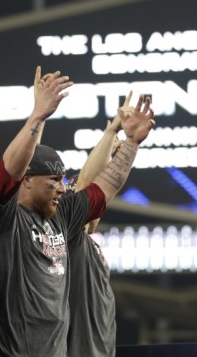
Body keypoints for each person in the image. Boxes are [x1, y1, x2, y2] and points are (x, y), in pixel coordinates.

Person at [0, 68, 155, 357]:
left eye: (62, 180)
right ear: (27, 181)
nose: (61, 188)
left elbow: (103, 187)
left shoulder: (62, 216)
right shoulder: (1, 216)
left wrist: (131, 143)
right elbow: (10, 169)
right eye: (53, 180)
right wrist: (38, 116)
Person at [66, 104, 127, 357]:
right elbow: (88, 186)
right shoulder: (68, 235)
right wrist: (111, 132)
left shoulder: (91, 243)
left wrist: (111, 154)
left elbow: (98, 192)